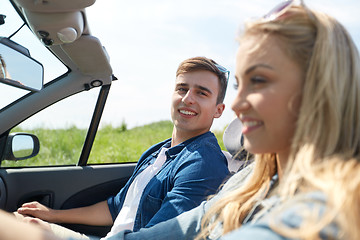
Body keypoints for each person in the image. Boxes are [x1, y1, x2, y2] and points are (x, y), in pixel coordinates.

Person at [61, 1, 358, 239]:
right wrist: (47, 223)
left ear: (318, 91)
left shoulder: (323, 211)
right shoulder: (248, 181)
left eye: (260, 80)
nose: (238, 106)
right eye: (242, 85)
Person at [15, 56, 231, 239]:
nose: (187, 99)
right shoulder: (158, 152)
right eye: (182, 89)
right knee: (18, 221)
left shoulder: (203, 163)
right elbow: (116, 206)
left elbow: (160, 236)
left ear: (218, 110)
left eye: (202, 93)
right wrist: (52, 215)